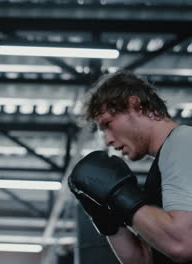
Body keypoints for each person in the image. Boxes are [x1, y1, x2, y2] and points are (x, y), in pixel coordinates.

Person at [68, 70, 192, 264]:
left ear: (136, 106)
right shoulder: (162, 166)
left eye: (108, 124)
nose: (107, 140)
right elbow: (143, 259)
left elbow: (182, 245)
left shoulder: (183, 141)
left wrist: (119, 194)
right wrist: (105, 216)